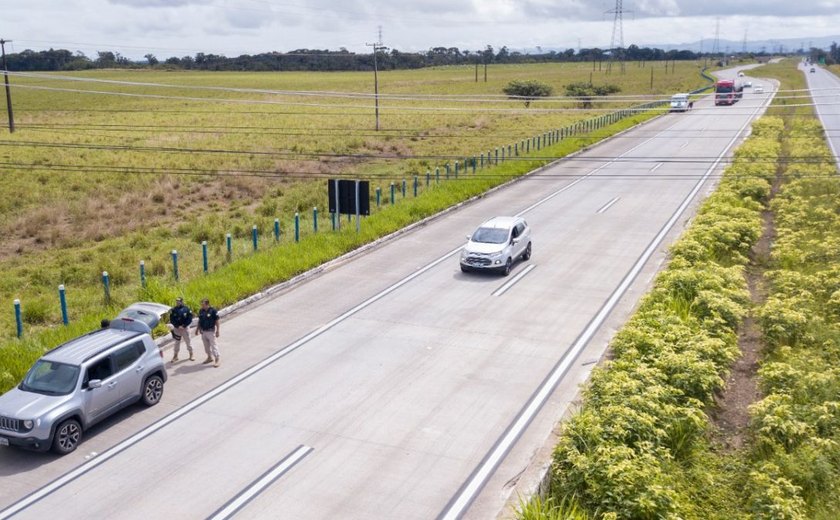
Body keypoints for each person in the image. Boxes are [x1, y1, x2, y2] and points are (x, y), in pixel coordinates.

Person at [195, 298, 220, 367]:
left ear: (207, 304)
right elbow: (200, 321)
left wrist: (218, 330)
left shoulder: (213, 311)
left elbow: (217, 321)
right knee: (206, 346)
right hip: (203, 331)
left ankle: (217, 359)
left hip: (210, 331)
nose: (202, 306)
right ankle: (209, 357)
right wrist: (197, 329)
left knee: (213, 346)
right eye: (201, 304)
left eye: (203, 304)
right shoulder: (201, 311)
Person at [169, 297, 194, 363]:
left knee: (188, 342)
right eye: (176, 301)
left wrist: (184, 326)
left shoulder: (186, 309)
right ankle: (175, 356)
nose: (177, 302)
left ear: (182, 302)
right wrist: (177, 326)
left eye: (179, 301)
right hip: (177, 329)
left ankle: (191, 354)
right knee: (177, 343)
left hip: (185, 328)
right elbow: (172, 319)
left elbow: (190, 318)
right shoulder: (173, 309)